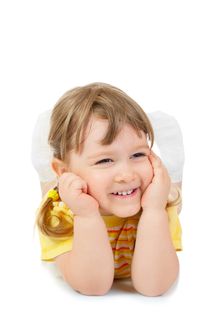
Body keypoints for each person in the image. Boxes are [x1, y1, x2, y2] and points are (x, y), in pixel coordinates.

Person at [34, 82, 183, 297]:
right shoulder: (58, 215)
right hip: (74, 195)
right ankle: (48, 169)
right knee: (52, 187)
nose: (127, 174)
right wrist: (85, 215)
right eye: (105, 160)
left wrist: (153, 211)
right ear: (65, 170)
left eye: (138, 154)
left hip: (144, 198)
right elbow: (92, 286)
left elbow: (155, 286)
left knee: (175, 197)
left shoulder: (158, 202)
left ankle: (174, 171)